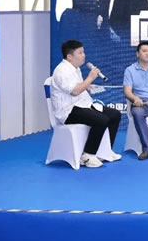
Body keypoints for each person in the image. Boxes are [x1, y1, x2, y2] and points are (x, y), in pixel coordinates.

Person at [50, 40, 121, 168]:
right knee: (101, 120)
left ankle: (104, 151)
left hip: (82, 105)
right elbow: (75, 91)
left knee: (114, 115)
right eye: (80, 53)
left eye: (83, 52)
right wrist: (90, 78)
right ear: (69, 56)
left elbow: (77, 86)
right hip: (68, 111)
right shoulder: (62, 71)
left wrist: (88, 86)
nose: (84, 55)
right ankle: (88, 155)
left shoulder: (75, 69)